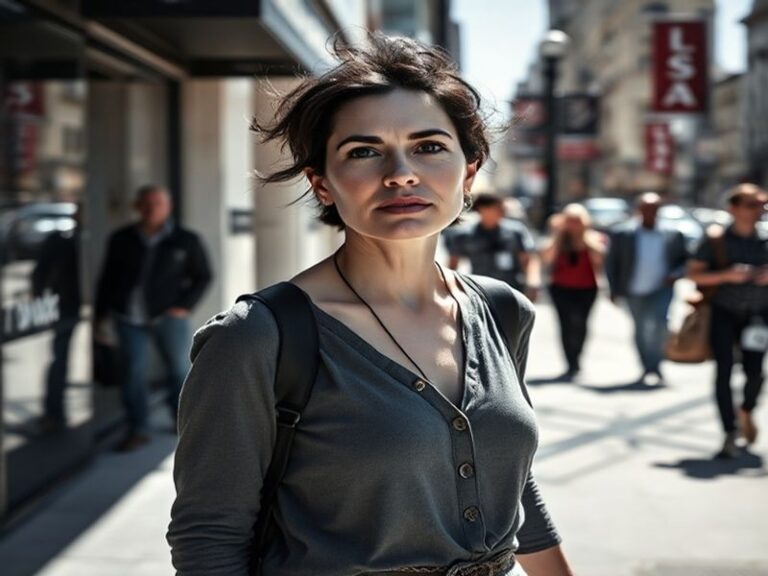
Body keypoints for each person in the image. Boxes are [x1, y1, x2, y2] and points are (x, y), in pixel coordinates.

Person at [167, 35, 572, 576]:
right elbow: (208, 540)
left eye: (429, 146)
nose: (401, 173)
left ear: (470, 171)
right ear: (323, 184)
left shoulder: (502, 310)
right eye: (363, 151)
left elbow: (512, 486)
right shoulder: (258, 337)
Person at [95, 185, 212, 451]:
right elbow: (106, 279)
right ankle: (137, 429)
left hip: (168, 317)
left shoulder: (186, 239)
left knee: (179, 371)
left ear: (168, 207)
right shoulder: (121, 238)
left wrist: (184, 306)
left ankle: (183, 423)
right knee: (132, 373)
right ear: (137, 207)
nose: (151, 209)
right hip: (128, 317)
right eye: (146, 204)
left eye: (157, 203)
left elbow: (204, 276)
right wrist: (99, 315)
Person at [687, 183, 768, 458]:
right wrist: (726, 275)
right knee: (723, 371)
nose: (759, 210)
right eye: (751, 205)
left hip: (758, 315)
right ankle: (729, 431)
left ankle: (746, 409)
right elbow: (694, 274)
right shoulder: (716, 239)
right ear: (733, 208)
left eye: (761, 204)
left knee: (755, 372)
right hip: (723, 312)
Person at [605, 192, 688, 385]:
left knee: (660, 325)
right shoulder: (623, 234)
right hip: (634, 290)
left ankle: (656, 366)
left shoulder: (673, 234)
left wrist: (675, 274)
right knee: (641, 329)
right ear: (639, 210)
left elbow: (684, 261)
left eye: (654, 209)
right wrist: (613, 288)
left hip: (661, 289)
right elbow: (612, 263)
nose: (650, 213)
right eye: (646, 208)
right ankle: (646, 366)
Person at [540, 204, 605, 380]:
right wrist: (558, 234)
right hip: (561, 288)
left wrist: (585, 239)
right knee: (566, 324)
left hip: (587, 288)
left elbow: (600, 259)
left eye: (577, 221)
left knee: (581, 324)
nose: (573, 225)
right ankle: (570, 362)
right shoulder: (559, 239)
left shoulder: (593, 239)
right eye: (570, 221)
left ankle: (577, 357)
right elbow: (545, 257)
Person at [31, 208, 82, 433]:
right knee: (60, 361)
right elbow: (41, 273)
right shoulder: (60, 241)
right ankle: (54, 413)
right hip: (66, 308)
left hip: (91, 310)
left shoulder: (87, 242)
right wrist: (40, 301)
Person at [445, 192, 541, 302]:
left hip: (512, 289)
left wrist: (533, 281)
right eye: (495, 208)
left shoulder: (515, 232)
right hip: (480, 290)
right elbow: (453, 263)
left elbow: (528, 259)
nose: (501, 211)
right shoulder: (466, 235)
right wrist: (449, 287)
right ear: (481, 209)